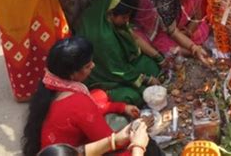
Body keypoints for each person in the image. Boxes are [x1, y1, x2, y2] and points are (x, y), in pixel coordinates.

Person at [21, 36, 157, 155]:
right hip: (71, 150)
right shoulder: (78, 103)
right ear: (72, 73)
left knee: (99, 95)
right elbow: (107, 141)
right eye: (87, 66)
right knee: (146, 147)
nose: (93, 66)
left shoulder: (50, 84)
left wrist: (121, 107)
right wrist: (138, 143)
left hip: (68, 149)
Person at [76, 0, 163, 106]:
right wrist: (147, 80)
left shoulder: (112, 3)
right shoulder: (105, 39)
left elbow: (135, 38)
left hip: (118, 62)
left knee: (152, 67)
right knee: (136, 96)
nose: (127, 20)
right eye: (124, 17)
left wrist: (158, 57)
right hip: (105, 74)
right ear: (111, 15)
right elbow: (117, 70)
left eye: (128, 17)